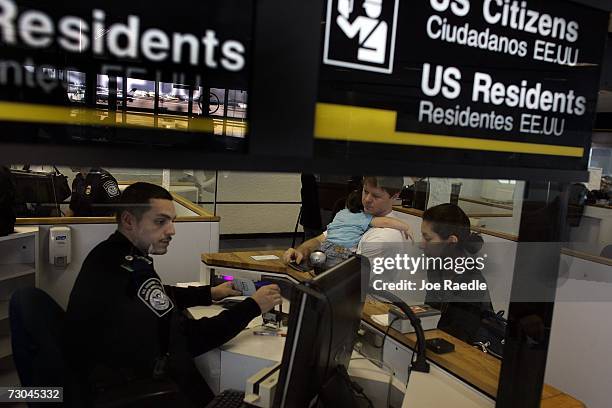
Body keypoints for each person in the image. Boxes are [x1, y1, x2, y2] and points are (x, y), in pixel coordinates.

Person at [63, 182, 282, 407]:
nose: (172, 230)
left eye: (172, 221)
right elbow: (187, 339)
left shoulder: (109, 254)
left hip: (92, 372)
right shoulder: (133, 268)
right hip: (120, 387)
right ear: (129, 220)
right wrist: (252, 307)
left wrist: (209, 293)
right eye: (160, 222)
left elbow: (156, 296)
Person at [284, 176, 408, 265]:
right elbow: (319, 239)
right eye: (365, 191)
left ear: (395, 196)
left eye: (376, 196)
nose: (367, 199)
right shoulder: (358, 215)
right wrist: (301, 251)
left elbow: (352, 280)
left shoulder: (386, 236)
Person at [419, 203, 494, 344]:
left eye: (428, 238)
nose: (421, 244)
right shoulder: (436, 266)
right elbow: (431, 313)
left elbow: (458, 339)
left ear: (452, 242)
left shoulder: (471, 282)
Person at [321, 190, 412, 267]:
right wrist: (406, 227)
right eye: (366, 192)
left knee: (322, 272)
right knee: (336, 275)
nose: (367, 199)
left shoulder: (340, 213)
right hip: (340, 250)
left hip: (324, 245)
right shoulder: (363, 217)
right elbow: (386, 222)